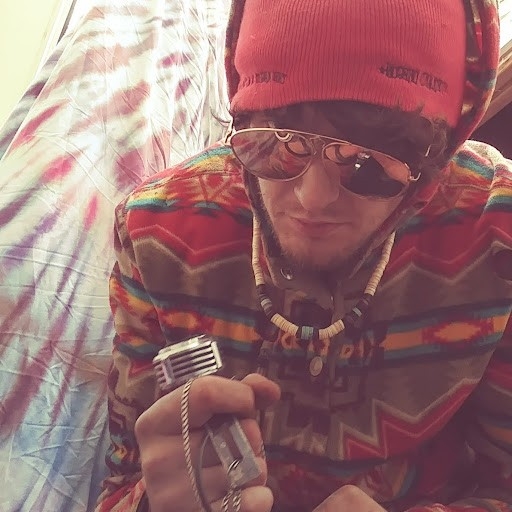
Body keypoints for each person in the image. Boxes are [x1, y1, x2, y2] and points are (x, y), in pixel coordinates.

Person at [96, 0, 512, 511]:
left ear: (437, 155)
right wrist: (151, 504)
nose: (312, 199)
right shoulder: (156, 234)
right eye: (279, 141)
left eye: (366, 161)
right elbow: (121, 478)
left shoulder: (496, 239)